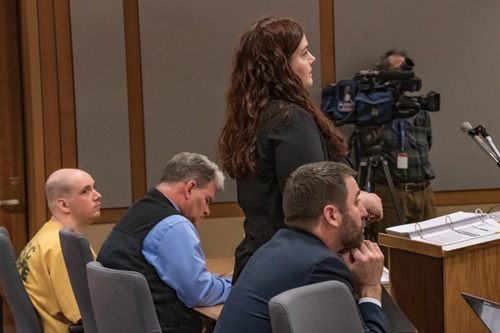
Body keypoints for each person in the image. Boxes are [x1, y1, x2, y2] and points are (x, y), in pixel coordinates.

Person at [217, 17, 383, 283]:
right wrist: (362, 199)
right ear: (281, 66)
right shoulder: (290, 119)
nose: (313, 59)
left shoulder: (256, 115)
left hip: (262, 260)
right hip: (293, 270)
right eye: (304, 53)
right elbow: (312, 205)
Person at [214, 161, 388, 333]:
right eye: (357, 202)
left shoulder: (276, 247)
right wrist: (370, 286)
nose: (364, 212)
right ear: (332, 215)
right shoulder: (322, 266)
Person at [97, 152, 232, 332]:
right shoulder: (174, 225)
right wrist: (237, 285)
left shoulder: (139, 209)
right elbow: (199, 294)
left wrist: (217, 280)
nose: (207, 211)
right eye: (207, 200)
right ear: (190, 188)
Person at [16, 168, 101, 332]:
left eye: (94, 187)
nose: (97, 195)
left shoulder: (44, 237)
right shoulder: (64, 247)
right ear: (63, 204)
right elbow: (84, 315)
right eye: (85, 191)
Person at [366, 49, 437, 244]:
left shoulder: (419, 109)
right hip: (391, 192)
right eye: (398, 70)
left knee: (432, 247)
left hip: (424, 191)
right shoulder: (374, 110)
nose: (403, 76)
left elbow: (428, 144)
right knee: (393, 250)